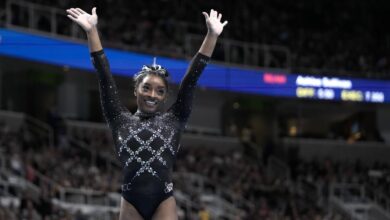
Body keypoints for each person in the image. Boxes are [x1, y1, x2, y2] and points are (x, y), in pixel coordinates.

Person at [66, 6, 227, 220]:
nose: (152, 94)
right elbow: (104, 75)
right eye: (146, 88)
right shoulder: (118, 119)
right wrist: (92, 32)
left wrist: (211, 35)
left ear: (165, 97)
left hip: (163, 200)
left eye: (160, 91)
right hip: (131, 201)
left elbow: (191, 80)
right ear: (136, 90)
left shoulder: (175, 119)